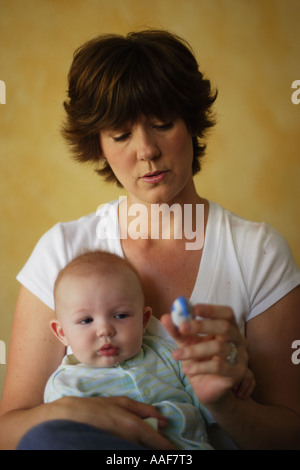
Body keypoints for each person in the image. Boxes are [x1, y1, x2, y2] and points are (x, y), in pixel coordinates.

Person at [0, 29, 299, 450]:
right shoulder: (62, 250)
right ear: (99, 147)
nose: (146, 150)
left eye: (162, 124)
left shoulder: (258, 253)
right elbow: (8, 430)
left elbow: (290, 434)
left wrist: (224, 404)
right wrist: (64, 412)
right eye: (120, 135)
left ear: (191, 125)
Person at [44, 250, 216, 450]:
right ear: (62, 332)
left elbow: (211, 406)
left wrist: (225, 374)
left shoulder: (167, 354)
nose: (105, 330)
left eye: (120, 315)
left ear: (144, 321)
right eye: (86, 320)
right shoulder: (66, 387)